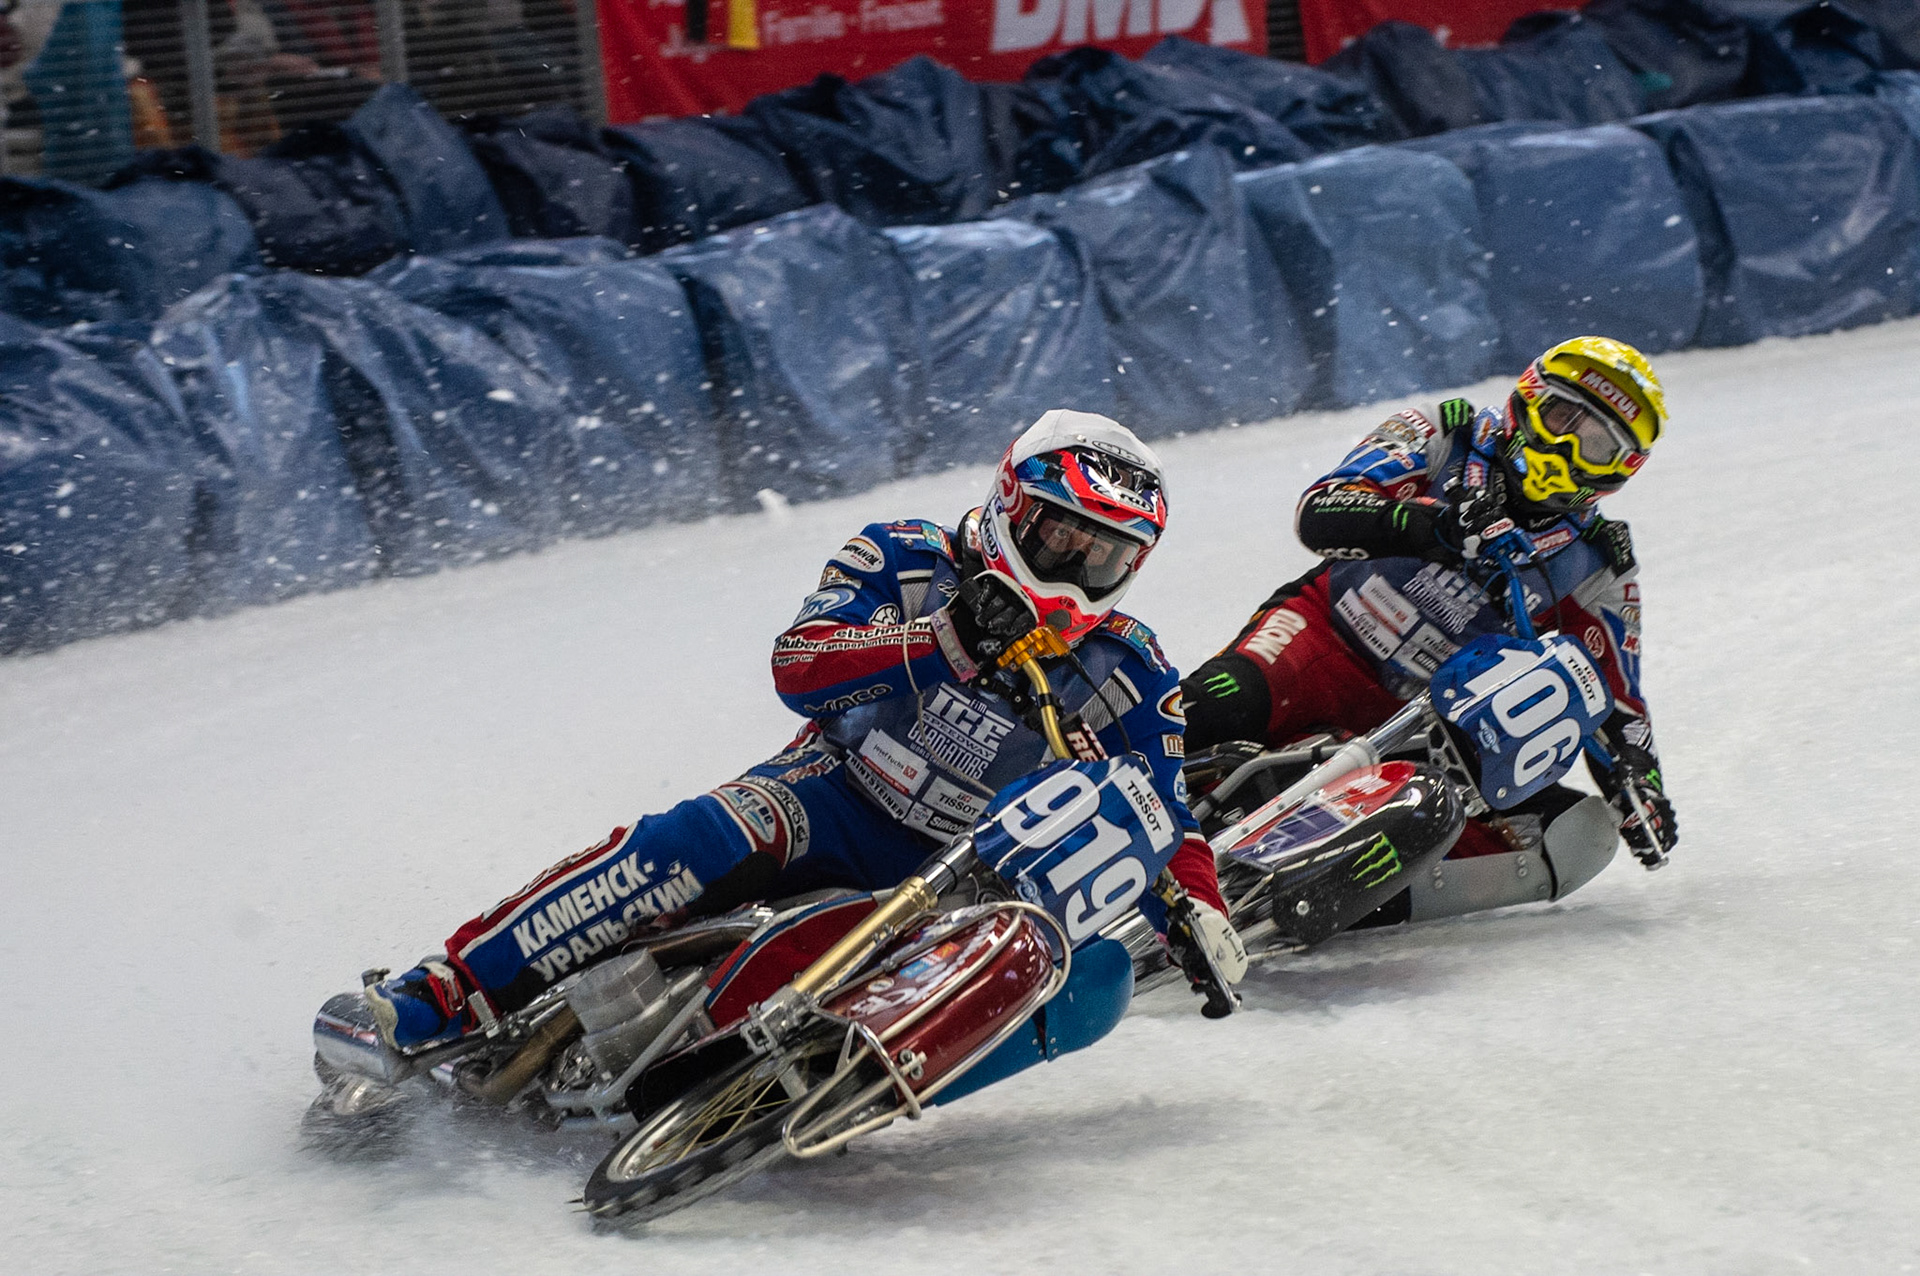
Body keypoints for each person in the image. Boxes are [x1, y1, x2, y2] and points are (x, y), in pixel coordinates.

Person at [360, 410, 1243, 1060]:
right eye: (1065, 541)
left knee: (1084, 975)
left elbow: (1157, 806)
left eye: (1109, 558)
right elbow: (799, 666)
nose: (1081, 574)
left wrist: (1196, 906)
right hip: (832, 792)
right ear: (1013, 506)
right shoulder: (903, 555)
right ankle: (444, 989)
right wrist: (942, 644)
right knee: (699, 837)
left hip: (966, 873)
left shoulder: (1131, 664)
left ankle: (828, 1077)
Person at [1183, 337, 1678, 926]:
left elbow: (1620, 705)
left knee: (1578, 837)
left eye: (1596, 443)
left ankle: (1327, 897)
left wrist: (1639, 788)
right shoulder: (1440, 433)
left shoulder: (1599, 566)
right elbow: (1319, 511)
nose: (1569, 444)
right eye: (1562, 416)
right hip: (1322, 639)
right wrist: (1435, 525)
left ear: (1619, 470)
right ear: (1528, 400)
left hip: (1425, 731)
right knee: (1206, 708)